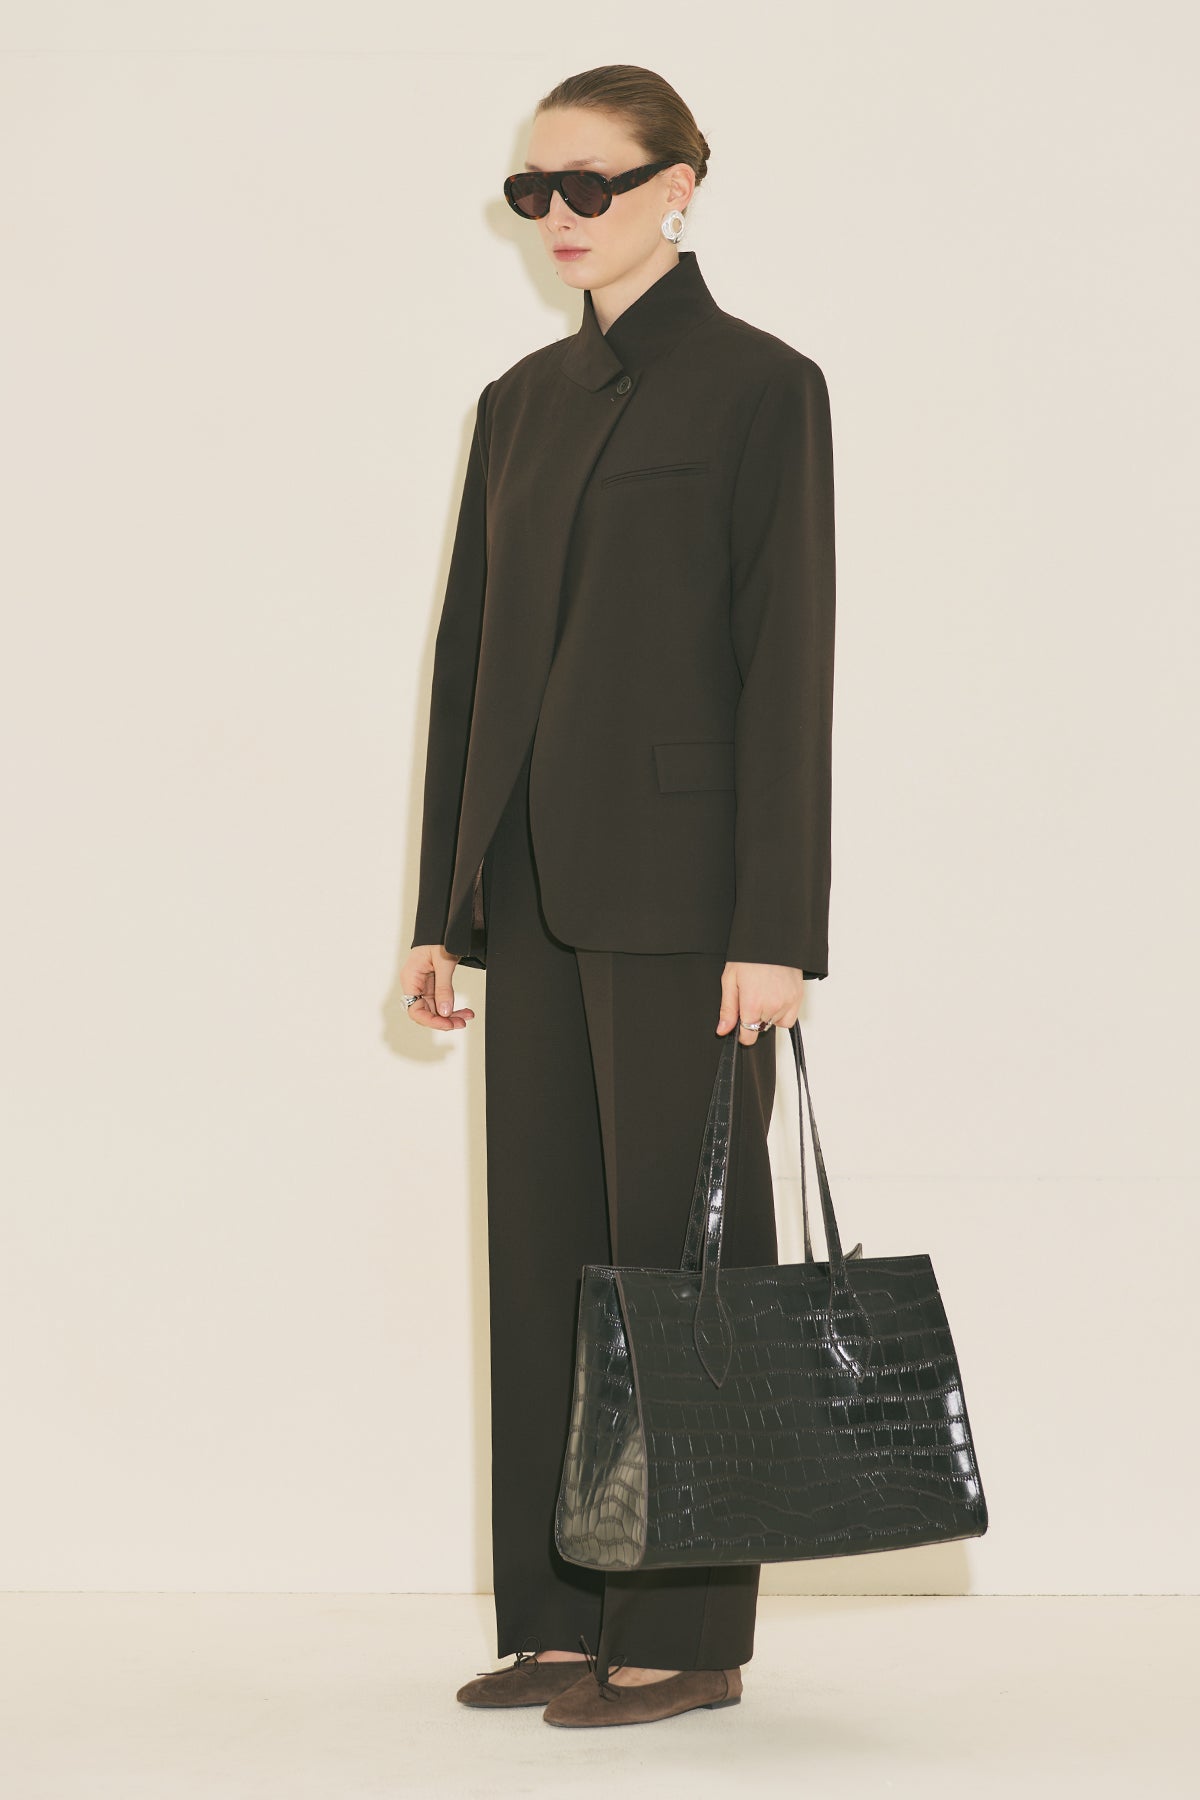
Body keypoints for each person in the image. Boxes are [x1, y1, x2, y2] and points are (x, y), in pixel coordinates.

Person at [401, 63, 836, 1729]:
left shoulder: (762, 387)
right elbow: (469, 671)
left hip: (686, 903)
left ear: (678, 187)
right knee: (550, 1262)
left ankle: (683, 1634)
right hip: (530, 885)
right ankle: (563, 1616)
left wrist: (777, 926)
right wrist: (442, 907)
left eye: (591, 184)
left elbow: (786, 661)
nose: (559, 216)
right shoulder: (517, 404)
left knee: (677, 1264)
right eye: (535, 190)